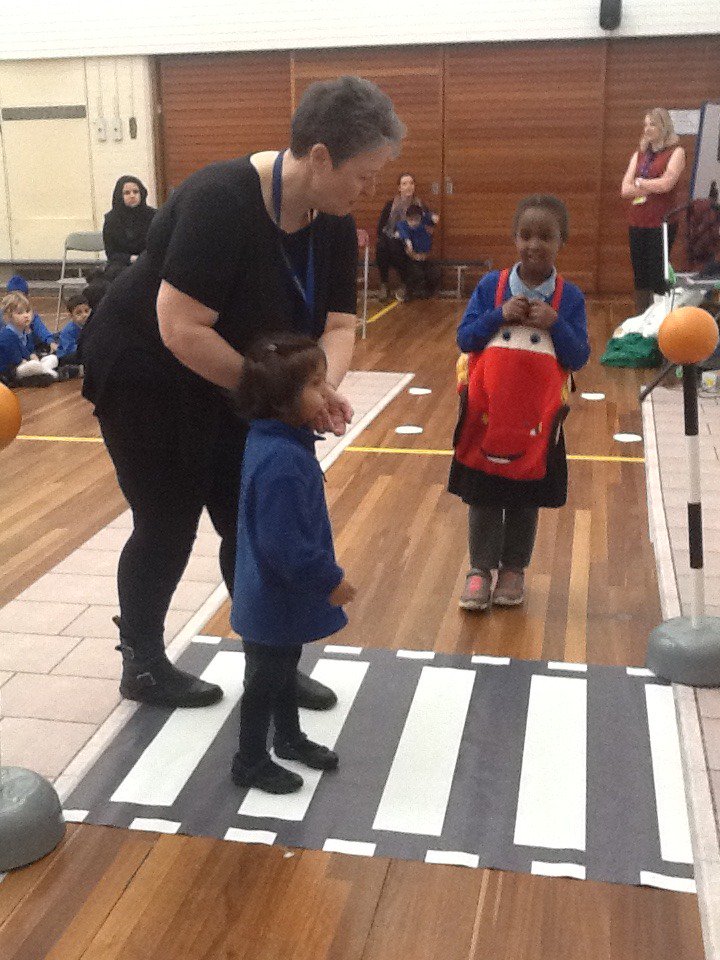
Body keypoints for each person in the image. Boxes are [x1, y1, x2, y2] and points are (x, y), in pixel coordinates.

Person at [81, 76, 404, 710]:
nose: (369, 191)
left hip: (244, 377)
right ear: (318, 157)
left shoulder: (332, 219)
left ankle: (271, 666)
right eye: (362, 177)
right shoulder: (219, 201)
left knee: (250, 523)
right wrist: (283, 398)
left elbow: (339, 325)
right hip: (146, 371)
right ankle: (142, 663)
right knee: (167, 521)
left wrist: (320, 387)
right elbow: (181, 328)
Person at [449, 195, 590, 611]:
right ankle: (480, 569)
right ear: (514, 238)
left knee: (526, 497)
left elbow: (579, 357)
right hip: (485, 414)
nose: (534, 245)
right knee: (484, 494)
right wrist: (499, 315)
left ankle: (514, 569)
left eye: (545, 236)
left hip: (539, 420)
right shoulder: (490, 287)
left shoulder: (571, 298)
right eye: (526, 235)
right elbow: (466, 338)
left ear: (561, 241)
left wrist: (556, 323)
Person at [231, 334, 356, 794]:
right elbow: (285, 547)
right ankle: (249, 759)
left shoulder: (273, 439)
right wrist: (331, 581)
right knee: (265, 681)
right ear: (282, 402)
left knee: (283, 672)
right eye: (315, 385)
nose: (326, 393)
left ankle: (288, 738)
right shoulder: (283, 461)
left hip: (272, 593)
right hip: (275, 596)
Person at [621, 108, 686, 315]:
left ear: (664, 126)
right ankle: (642, 317)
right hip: (637, 220)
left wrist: (640, 183)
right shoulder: (638, 155)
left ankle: (659, 319)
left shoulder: (676, 152)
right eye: (646, 124)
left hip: (662, 223)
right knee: (640, 274)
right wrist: (648, 185)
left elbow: (667, 183)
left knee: (658, 273)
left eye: (653, 124)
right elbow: (625, 189)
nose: (648, 129)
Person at [376, 173, 438, 301]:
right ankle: (384, 284)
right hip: (392, 242)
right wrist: (394, 235)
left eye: (411, 183)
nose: (408, 186)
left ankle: (405, 283)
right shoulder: (390, 205)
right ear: (399, 188)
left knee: (393, 245)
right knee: (382, 245)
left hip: (413, 244)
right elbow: (381, 228)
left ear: (414, 186)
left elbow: (428, 227)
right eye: (404, 184)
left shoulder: (420, 206)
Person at [0, 292, 61, 387]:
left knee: (52, 358)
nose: (26, 315)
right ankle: (46, 372)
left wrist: (33, 356)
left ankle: (43, 370)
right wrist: (32, 360)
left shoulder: (25, 331)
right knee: (33, 366)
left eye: (28, 311)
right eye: (20, 313)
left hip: (23, 363)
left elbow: (29, 351)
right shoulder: (7, 334)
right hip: (9, 370)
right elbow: (16, 358)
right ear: (9, 317)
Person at [102, 176, 157, 276]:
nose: (132, 196)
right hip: (120, 264)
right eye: (127, 193)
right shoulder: (111, 219)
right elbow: (111, 253)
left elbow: (158, 245)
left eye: (136, 192)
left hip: (147, 262)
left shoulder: (153, 215)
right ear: (119, 196)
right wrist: (131, 258)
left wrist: (143, 259)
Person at [3, 275, 57, 356]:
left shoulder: (31, 316)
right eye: (19, 313)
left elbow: (42, 330)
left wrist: (51, 341)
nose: (25, 315)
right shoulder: (6, 327)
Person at [396, 202, 441, 299]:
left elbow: (435, 218)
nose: (413, 223)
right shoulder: (403, 225)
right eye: (410, 220)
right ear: (406, 218)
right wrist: (408, 241)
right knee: (417, 274)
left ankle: (428, 293)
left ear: (421, 219)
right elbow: (403, 232)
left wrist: (429, 216)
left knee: (435, 273)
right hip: (412, 259)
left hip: (425, 258)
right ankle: (410, 292)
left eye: (416, 220)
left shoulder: (425, 223)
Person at [56, 293, 91, 372]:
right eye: (79, 313)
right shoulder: (68, 330)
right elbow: (69, 349)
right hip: (66, 356)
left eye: (86, 311)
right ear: (71, 316)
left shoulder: (92, 325)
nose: (84, 315)